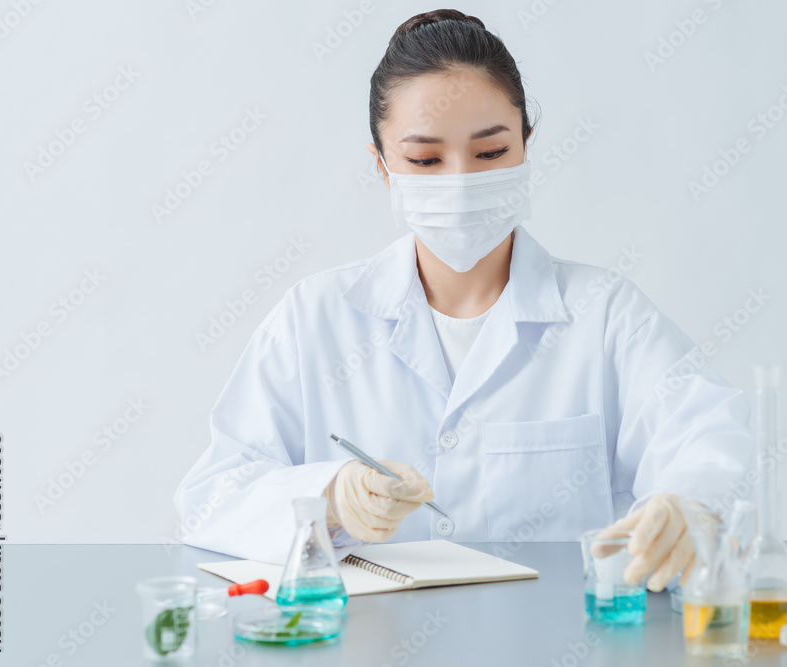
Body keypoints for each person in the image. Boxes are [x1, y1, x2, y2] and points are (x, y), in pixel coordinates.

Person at [173, 9, 754, 594]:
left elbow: (708, 437)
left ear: (526, 146)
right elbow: (213, 496)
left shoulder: (607, 314)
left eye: (490, 153)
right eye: (425, 160)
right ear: (382, 167)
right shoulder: (314, 319)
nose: (459, 182)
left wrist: (692, 504)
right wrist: (327, 498)